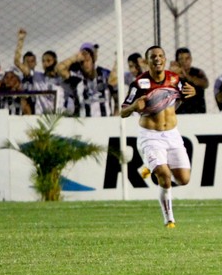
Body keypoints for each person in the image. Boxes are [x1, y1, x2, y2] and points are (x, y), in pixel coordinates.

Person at [121, 45, 196, 228]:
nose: (157, 59)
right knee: (164, 175)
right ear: (147, 61)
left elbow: (182, 95)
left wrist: (192, 93)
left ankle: (150, 166)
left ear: (164, 59)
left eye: (160, 56)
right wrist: (133, 108)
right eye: (153, 56)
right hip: (151, 136)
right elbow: (123, 111)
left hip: (172, 134)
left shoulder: (174, 78)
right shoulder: (139, 84)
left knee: (184, 179)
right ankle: (169, 219)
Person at [56, 43, 117, 117]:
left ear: (93, 60)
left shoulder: (104, 74)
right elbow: (59, 69)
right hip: (84, 123)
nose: (85, 64)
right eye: (82, 62)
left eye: (88, 60)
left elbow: (114, 83)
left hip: (105, 121)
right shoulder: (77, 77)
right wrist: (74, 58)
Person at [13, 29, 65, 114]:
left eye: (48, 61)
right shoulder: (37, 76)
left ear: (55, 61)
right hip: (41, 118)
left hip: (58, 118)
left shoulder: (61, 78)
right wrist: (20, 40)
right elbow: (17, 62)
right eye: (43, 61)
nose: (45, 63)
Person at [170, 47, 209, 114]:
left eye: (187, 58)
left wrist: (186, 75)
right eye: (181, 59)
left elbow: (205, 84)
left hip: (198, 112)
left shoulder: (197, 72)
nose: (184, 61)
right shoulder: (174, 76)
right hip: (180, 113)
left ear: (191, 59)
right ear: (177, 61)